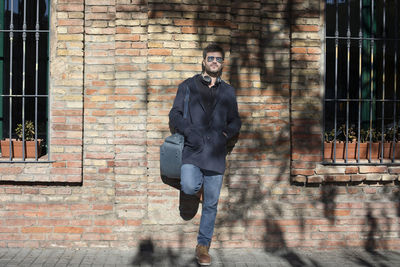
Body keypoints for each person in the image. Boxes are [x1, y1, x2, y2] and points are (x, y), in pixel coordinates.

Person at [169, 43, 241, 266]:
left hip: (216, 153)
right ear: (203, 61)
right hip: (192, 150)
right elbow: (175, 114)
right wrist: (188, 131)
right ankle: (198, 186)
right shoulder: (188, 86)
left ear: (222, 63)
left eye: (218, 59)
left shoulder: (228, 91)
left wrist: (225, 134)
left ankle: (203, 246)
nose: (214, 62)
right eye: (210, 58)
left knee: (211, 204)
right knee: (189, 185)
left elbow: (235, 120)